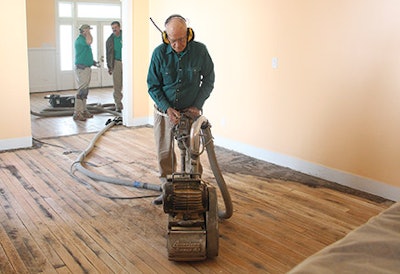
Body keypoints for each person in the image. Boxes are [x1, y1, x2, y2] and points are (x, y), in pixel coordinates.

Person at [147, 14, 215, 204]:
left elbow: (208, 80)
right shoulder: (159, 54)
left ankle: (193, 191)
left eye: (182, 39)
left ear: (189, 33)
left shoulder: (200, 51)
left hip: (189, 112)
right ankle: (167, 190)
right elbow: (153, 86)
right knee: (164, 153)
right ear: (166, 37)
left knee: (191, 153)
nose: (178, 44)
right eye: (173, 40)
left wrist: (197, 105)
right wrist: (167, 108)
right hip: (164, 112)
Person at [73, 24, 96, 121]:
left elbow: (86, 51)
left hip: (86, 67)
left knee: (85, 90)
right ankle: (77, 113)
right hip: (82, 69)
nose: (89, 32)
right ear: (84, 31)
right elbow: (90, 41)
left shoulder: (83, 40)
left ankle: (83, 110)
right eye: (88, 30)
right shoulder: (80, 40)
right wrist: (88, 33)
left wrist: (92, 61)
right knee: (82, 90)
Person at [106, 21, 123, 112]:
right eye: (112, 28)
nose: (114, 29)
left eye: (115, 27)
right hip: (116, 63)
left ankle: (129, 105)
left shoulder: (126, 35)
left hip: (127, 62)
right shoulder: (110, 40)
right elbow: (108, 54)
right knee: (117, 86)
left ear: (119, 27)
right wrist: (109, 67)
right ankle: (118, 106)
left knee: (129, 84)